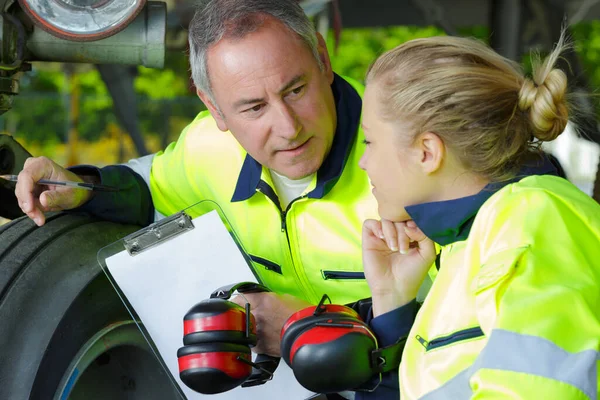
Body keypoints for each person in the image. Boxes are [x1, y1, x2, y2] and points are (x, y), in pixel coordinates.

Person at [13, 0, 396, 373]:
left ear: (324, 61)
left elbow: (450, 335)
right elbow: (149, 188)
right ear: (214, 108)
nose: (288, 127)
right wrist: (82, 187)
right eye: (253, 108)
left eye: (295, 90)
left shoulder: (408, 163)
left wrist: (304, 326)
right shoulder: (207, 147)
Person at [359, 33, 600, 399]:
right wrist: (391, 302)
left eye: (369, 141)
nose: (363, 162)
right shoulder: (469, 241)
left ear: (427, 152)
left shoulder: (530, 220)